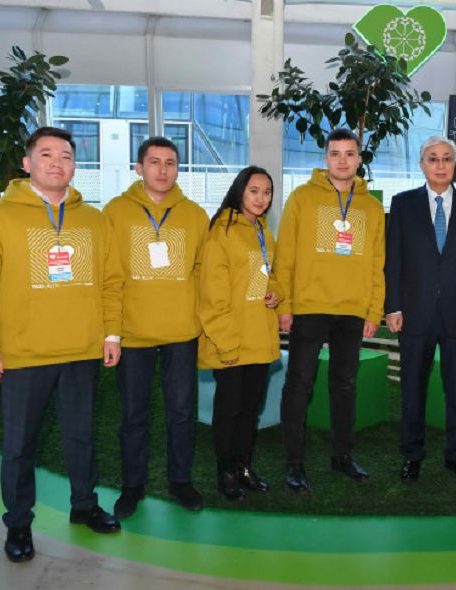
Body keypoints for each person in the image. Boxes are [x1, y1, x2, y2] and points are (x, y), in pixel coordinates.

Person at [0, 127, 123, 562]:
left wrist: (111, 334)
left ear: (75, 165)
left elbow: (112, 282)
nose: (57, 163)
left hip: (81, 351)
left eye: (66, 156)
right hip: (23, 354)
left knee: (81, 437)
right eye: (47, 154)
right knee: (20, 445)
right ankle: (18, 523)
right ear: (27, 163)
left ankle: (84, 505)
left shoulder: (94, 220)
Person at [273, 128, 385, 494]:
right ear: (325, 159)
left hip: (352, 310)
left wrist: (374, 310)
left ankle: (342, 455)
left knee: (345, 386)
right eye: (335, 153)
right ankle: (294, 463)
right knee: (299, 385)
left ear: (359, 159)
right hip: (309, 306)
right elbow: (285, 255)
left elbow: (378, 263)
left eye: (350, 153)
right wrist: (285, 304)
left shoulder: (371, 207)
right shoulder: (302, 198)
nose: (342, 160)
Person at [103, 136, 209, 518]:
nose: (163, 170)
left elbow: (204, 273)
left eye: (170, 163)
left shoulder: (195, 215)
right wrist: (111, 332)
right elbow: (109, 277)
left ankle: (180, 481)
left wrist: (203, 324)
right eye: (154, 162)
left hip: (182, 332)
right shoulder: (116, 212)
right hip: (134, 334)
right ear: (139, 168)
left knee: (181, 411)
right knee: (134, 414)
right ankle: (133, 485)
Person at [385, 136, 456, 482]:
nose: (440, 165)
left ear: (455, 164)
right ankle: (412, 453)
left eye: (446, 158)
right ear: (422, 165)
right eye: (433, 158)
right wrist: (393, 306)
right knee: (412, 387)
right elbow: (393, 259)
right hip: (415, 312)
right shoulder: (403, 204)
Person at [198, 166, 283, 501]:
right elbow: (212, 296)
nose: (261, 198)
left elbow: (270, 275)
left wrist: (276, 293)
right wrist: (226, 343)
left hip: (259, 336)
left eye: (267, 192)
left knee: (251, 409)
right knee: (229, 410)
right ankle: (226, 472)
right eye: (254, 191)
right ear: (239, 191)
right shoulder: (221, 232)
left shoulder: (263, 230)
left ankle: (244, 467)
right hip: (231, 340)